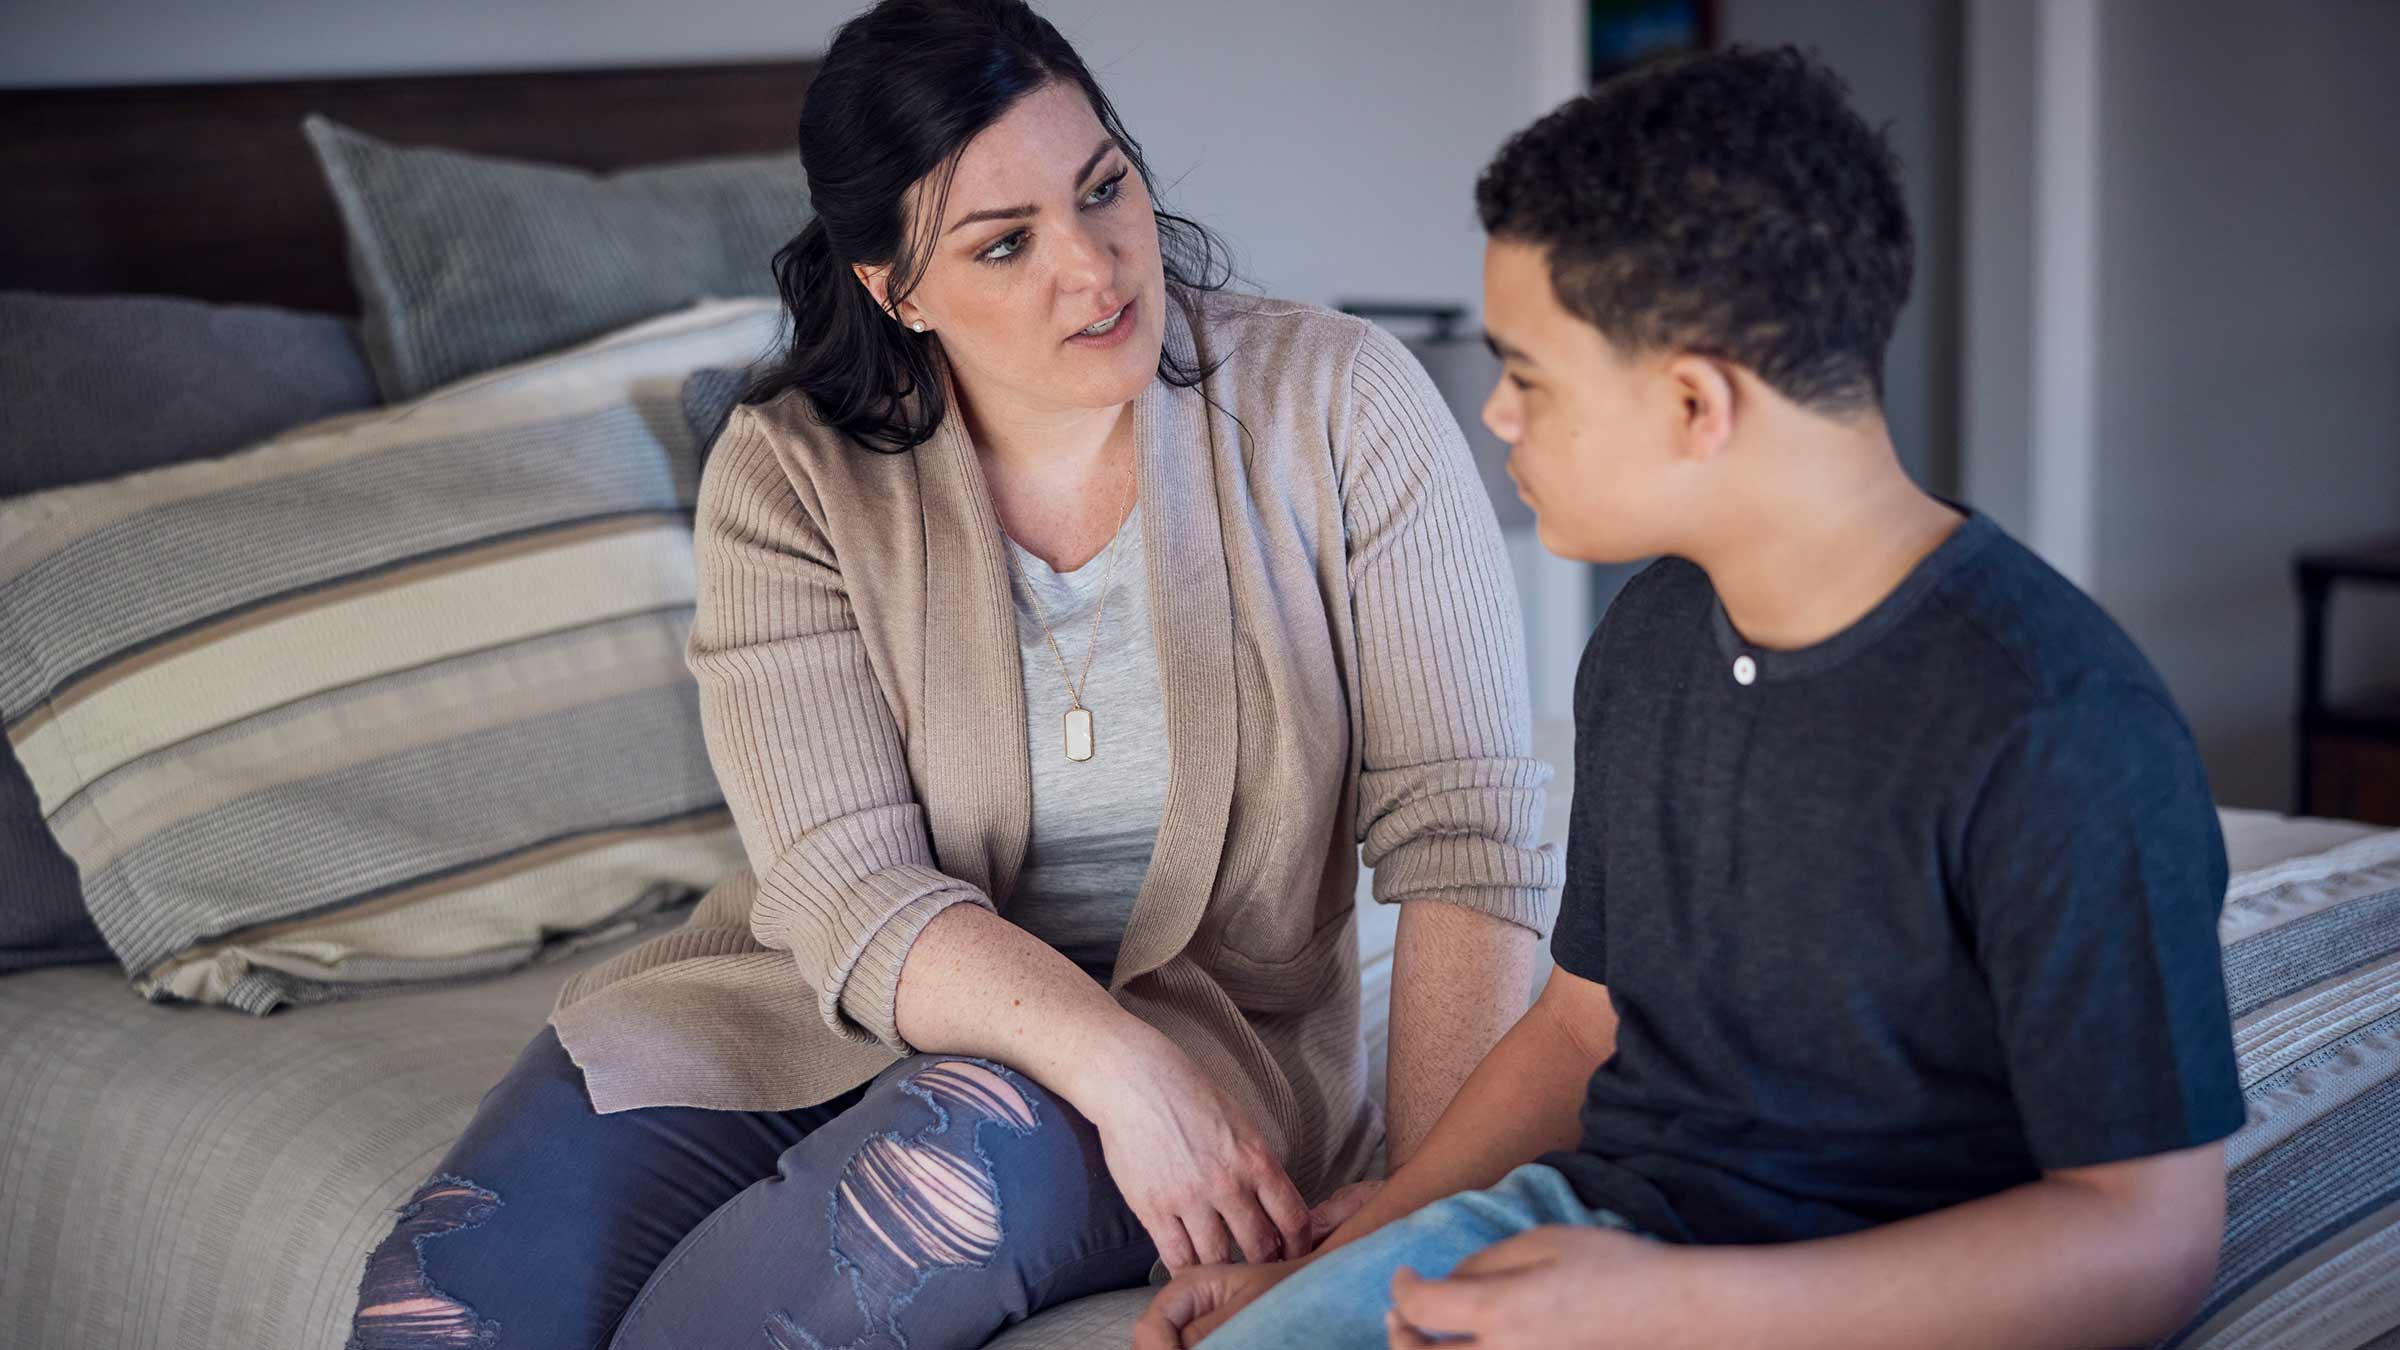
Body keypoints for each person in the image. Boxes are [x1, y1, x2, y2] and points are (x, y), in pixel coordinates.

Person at [343, 1, 1559, 1347]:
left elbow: (1464, 838)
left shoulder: (1339, 405)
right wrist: (1119, 1067)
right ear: (895, 287)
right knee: (436, 1305)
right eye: (1006, 243)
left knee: (907, 1203)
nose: (1095, 271)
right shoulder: (790, 471)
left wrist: (1426, 1209)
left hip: (1207, 1037)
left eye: (1105, 188)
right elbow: (844, 879)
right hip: (806, 1004)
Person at [1139, 45, 2243, 1350]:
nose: (1494, 415)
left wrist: (1667, 1310)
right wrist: (1355, 1247)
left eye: (1528, 375)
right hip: (1594, 1231)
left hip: (1865, 1295)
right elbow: (1581, 1024)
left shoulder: (2060, 726)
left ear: (1691, 402)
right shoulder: (1654, 632)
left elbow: (2150, 1231)